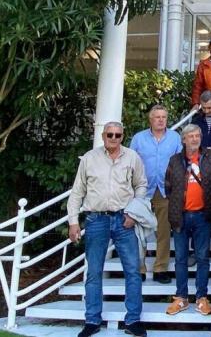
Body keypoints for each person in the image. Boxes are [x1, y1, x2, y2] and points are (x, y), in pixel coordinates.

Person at [67, 122, 148, 337]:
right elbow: (77, 192)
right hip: (96, 220)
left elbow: (141, 185)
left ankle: (133, 321)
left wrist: (133, 212)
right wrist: (73, 221)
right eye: (110, 134)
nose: (113, 138)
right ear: (103, 135)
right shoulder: (89, 158)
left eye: (118, 135)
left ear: (122, 136)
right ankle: (92, 320)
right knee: (93, 272)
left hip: (124, 220)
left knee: (133, 271)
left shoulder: (132, 157)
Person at [164, 124, 211, 317]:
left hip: (203, 216)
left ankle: (201, 297)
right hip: (181, 215)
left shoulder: (210, 158)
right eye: (190, 136)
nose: (194, 139)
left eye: (197, 136)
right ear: (183, 140)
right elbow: (168, 186)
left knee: (203, 258)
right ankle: (181, 297)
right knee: (180, 258)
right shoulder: (175, 160)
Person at [130, 105, 182, 284]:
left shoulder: (175, 138)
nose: (161, 120)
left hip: (165, 189)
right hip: (142, 189)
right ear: (150, 120)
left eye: (164, 117)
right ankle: (139, 268)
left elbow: (180, 164)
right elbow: (131, 164)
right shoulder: (139, 138)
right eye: (157, 117)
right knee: (139, 232)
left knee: (164, 231)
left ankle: (161, 268)